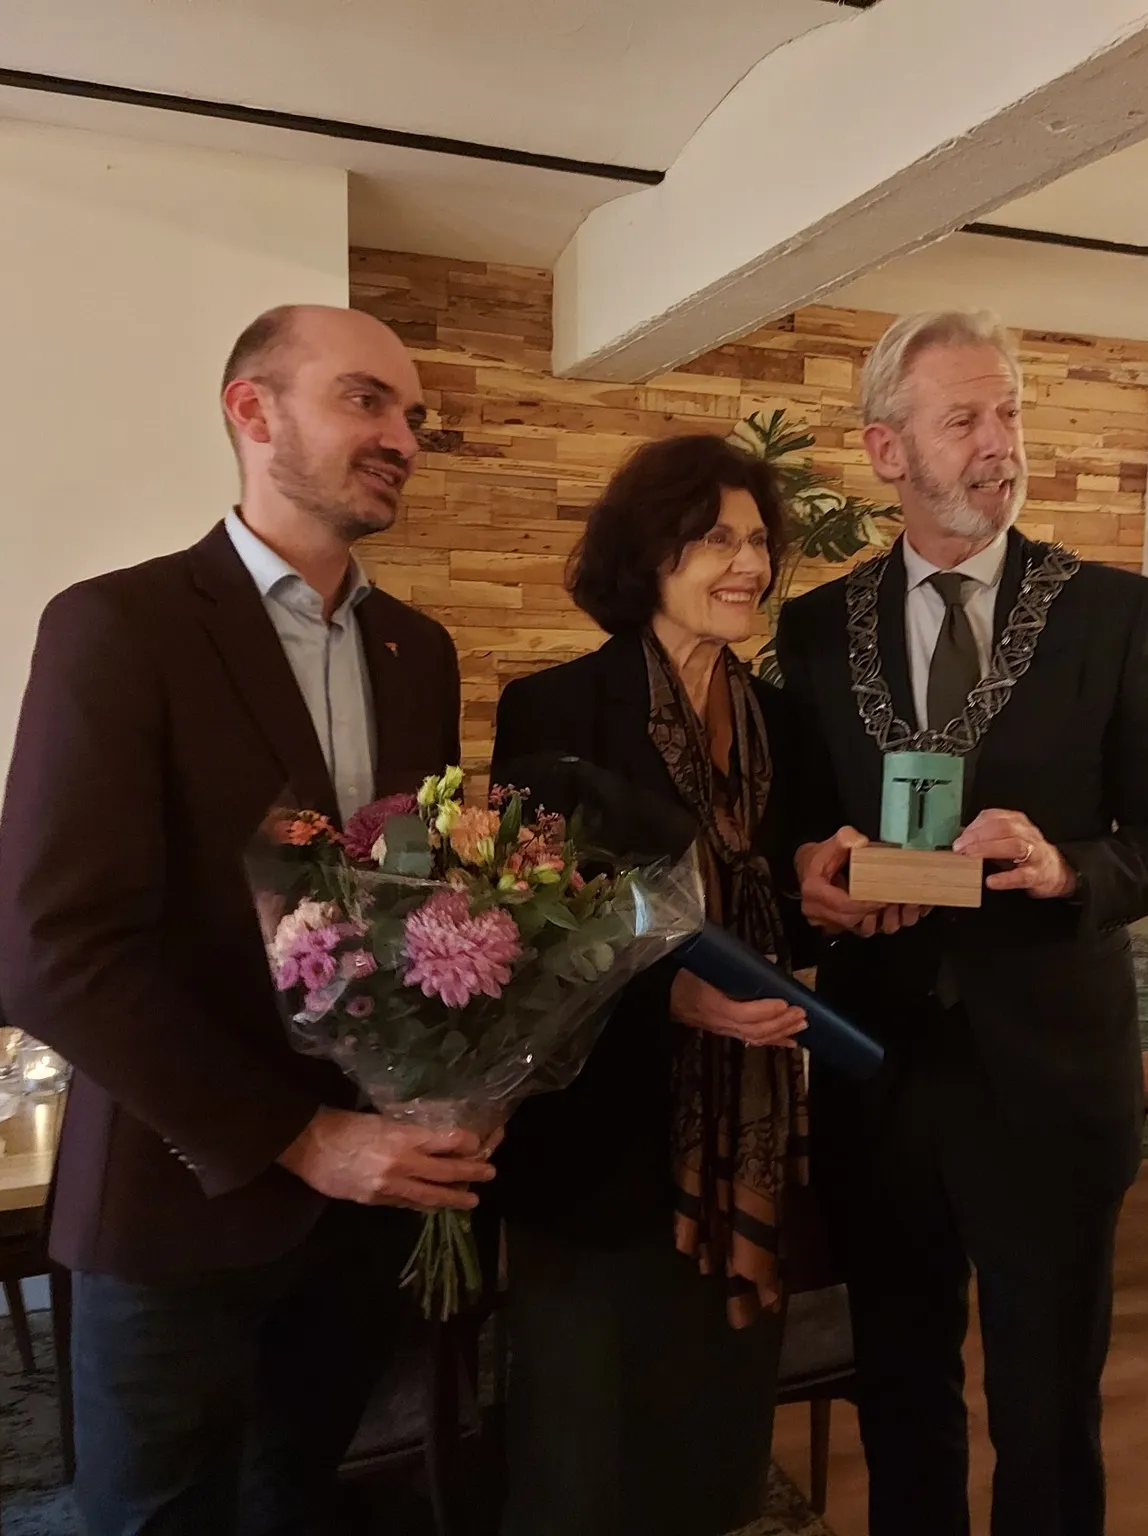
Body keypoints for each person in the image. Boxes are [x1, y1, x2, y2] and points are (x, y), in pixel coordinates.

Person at [0, 305, 497, 1535]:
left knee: (301, 1506)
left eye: (412, 415)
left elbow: (406, 903)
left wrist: (453, 1071)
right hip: (180, 1200)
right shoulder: (120, 626)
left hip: (362, 1212)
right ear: (251, 411)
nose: (402, 438)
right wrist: (298, 1137)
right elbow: (59, 951)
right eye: (365, 400)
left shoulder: (417, 651)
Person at [776, 310, 1148, 1536]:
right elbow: (791, 828)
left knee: (1047, 1410)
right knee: (896, 1389)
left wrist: (1067, 867)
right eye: (963, 418)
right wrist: (809, 868)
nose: (999, 444)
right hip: (876, 1073)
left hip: (1051, 1081)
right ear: (886, 450)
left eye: (1009, 413)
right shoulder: (813, 629)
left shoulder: (1112, 616)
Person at [487, 432, 813, 1536]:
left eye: (758, 541)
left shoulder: (785, 723)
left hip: (746, 1124)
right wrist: (668, 997)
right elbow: (522, 933)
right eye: (716, 538)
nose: (748, 564)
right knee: (581, 1451)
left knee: (707, 1441)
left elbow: (793, 898)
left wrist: (837, 889)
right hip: (595, 1139)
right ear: (646, 552)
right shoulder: (553, 709)